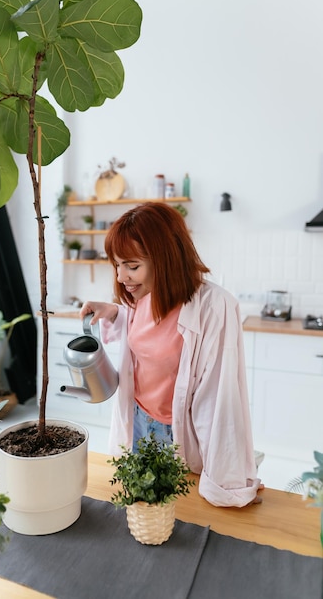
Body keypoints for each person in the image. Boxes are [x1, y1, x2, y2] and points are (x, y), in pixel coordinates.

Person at [80, 201, 263, 508]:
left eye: (132, 266)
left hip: (176, 434)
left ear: (165, 259)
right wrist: (114, 312)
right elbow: (146, 333)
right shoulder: (142, 297)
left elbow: (218, 402)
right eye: (117, 265)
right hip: (138, 420)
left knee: (181, 518)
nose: (122, 277)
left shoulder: (213, 308)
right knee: (139, 512)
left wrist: (227, 483)